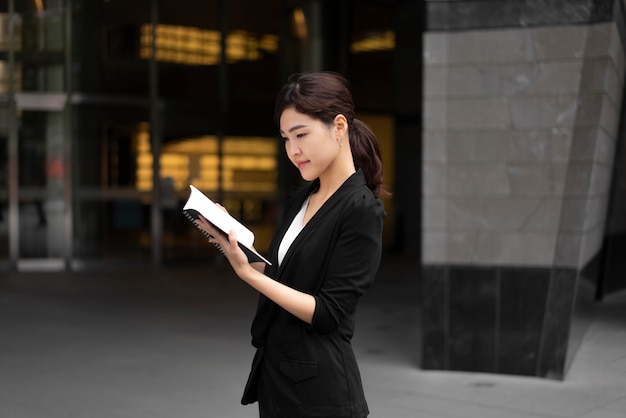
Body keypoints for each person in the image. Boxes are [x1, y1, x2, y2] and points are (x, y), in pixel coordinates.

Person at [195, 71, 389, 418]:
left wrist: (250, 277)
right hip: (277, 378)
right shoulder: (302, 198)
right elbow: (279, 278)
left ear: (339, 127)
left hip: (321, 394)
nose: (293, 150)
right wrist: (230, 241)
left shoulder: (361, 210)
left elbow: (328, 313)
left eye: (301, 135)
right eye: (285, 139)